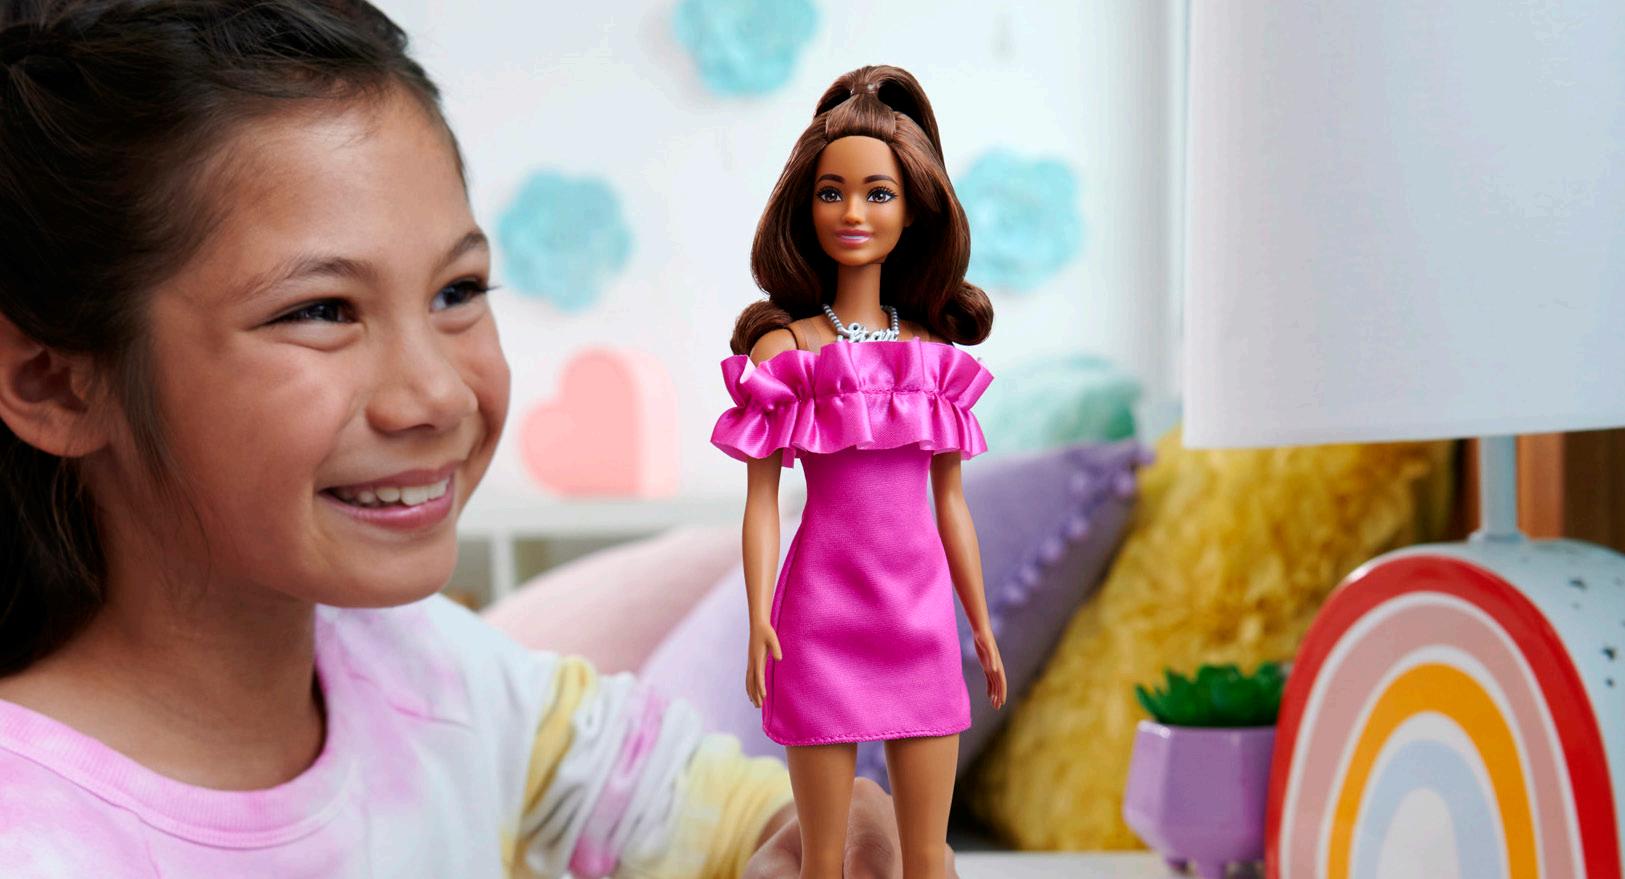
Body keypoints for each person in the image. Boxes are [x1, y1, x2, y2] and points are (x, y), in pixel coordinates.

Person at [0, 2, 948, 876]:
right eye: (320, 310)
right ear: (52, 382)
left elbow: (703, 805)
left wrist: (818, 836)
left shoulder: (438, 672)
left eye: (456, 291)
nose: (437, 394)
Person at [711, 65, 1008, 879]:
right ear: (804, 208)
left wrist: (979, 622)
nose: (852, 212)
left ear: (913, 210)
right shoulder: (787, 349)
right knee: (822, 858)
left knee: (927, 854)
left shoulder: (932, 355)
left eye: (877, 193)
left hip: (918, 617)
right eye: (830, 192)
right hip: (818, 616)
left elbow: (950, 502)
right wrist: (758, 616)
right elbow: (761, 500)